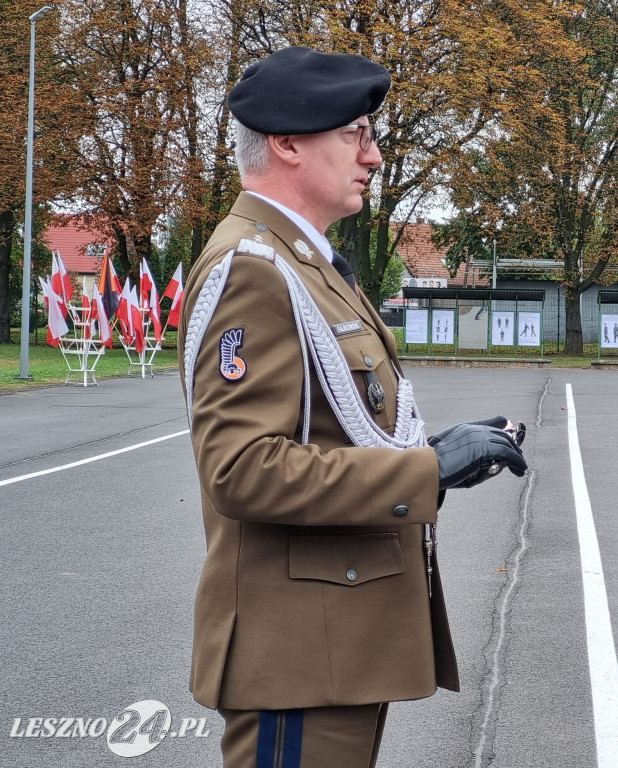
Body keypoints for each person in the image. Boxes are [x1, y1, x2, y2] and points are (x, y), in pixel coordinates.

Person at [177, 46, 527, 768]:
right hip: (299, 652)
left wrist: (439, 451)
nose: (374, 155)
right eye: (356, 134)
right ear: (288, 144)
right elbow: (242, 469)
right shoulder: (253, 269)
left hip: (332, 645)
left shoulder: (301, 262)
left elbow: (343, 424)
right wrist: (422, 475)